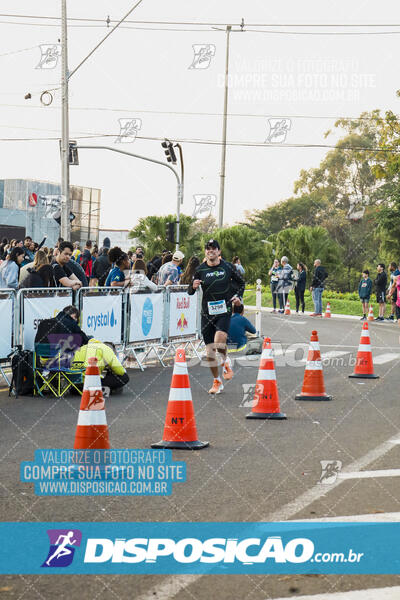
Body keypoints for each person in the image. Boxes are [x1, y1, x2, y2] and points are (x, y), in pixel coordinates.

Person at [188, 239, 244, 394]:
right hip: (207, 314)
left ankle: (226, 361)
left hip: (223, 311)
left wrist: (238, 297)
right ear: (205, 252)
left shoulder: (228, 267)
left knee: (219, 342)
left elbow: (241, 283)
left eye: (213, 248)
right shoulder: (200, 269)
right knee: (209, 353)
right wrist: (192, 287)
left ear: (219, 252)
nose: (210, 251)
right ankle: (217, 381)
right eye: (208, 248)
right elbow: (189, 290)